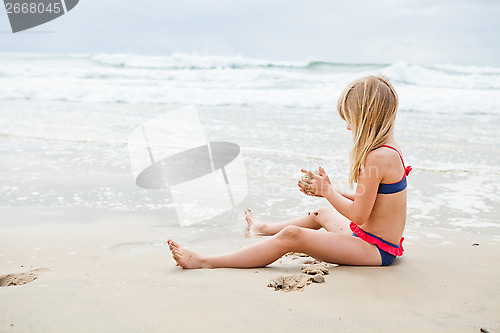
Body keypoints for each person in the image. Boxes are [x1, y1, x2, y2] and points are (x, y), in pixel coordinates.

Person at [167, 75, 410, 269]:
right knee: (321, 213)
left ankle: (206, 262)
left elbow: (359, 215)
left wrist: (327, 191)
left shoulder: (377, 156)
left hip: (376, 249)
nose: (347, 126)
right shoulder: (388, 149)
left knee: (293, 236)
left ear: (366, 118)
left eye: (351, 119)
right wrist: (330, 191)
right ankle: (262, 228)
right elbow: (371, 201)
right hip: (370, 239)